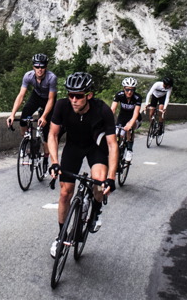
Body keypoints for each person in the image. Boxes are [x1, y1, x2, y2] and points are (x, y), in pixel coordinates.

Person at [47, 72, 118, 257]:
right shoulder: (62, 106)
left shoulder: (102, 110)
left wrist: (111, 177)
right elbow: (53, 135)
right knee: (64, 193)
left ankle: (95, 210)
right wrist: (54, 162)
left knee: (99, 181)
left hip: (95, 147)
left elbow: (112, 145)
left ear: (89, 95)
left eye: (78, 95)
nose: (73, 99)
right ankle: (61, 236)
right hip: (73, 147)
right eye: (71, 94)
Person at [5, 53, 58, 169]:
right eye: (37, 66)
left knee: (46, 130)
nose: (39, 69)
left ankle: (45, 158)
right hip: (36, 96)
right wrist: (12, 114)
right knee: (24, 116)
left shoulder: (51, 78)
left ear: (46, 67)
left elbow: (51, 99)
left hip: (48, 99)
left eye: (42, 66)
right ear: (33, 67)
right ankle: (26, 140)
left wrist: (44, 116)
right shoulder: (28, 76)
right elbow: (21, 95)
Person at [110, 77, 142, 162]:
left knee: (129, 129)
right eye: (127, 89)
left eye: (132, 90)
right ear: (124, 88)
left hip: (134, 118)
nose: (129, 92)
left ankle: (129, 150)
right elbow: (113, 109)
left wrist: (130, 124)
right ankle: (119, 153)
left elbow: (136, 113)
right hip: (122, 117)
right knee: (118, 135)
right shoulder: (119, 95)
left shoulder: (137, 97)